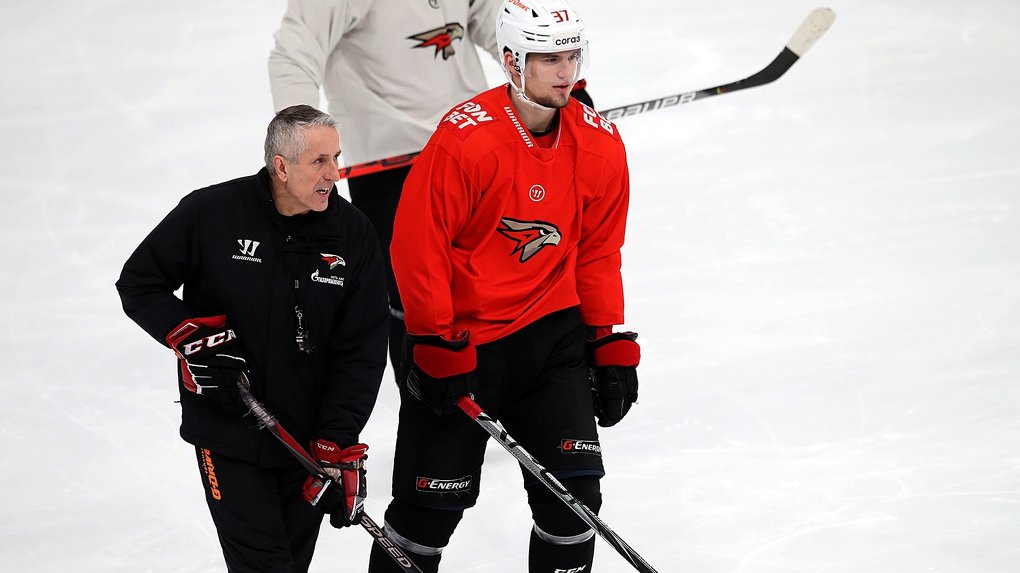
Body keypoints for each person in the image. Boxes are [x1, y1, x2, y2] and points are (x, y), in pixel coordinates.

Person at [368, 1, 640, 572]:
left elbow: (597, 251)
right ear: (513, 61)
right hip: (463, 347)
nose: (565, 72)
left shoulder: (600, 146)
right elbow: (417, 246)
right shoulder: (466, 141)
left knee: (575, 506)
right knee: (425, 516)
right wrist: (433, 339)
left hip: (551, 344)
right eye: (549, 59)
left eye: (572, 57)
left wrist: (604, 337)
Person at [116, 105, 389, 572]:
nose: (333, 173)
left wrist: (336, 438)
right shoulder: (211, 213)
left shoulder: (353, 234)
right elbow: (140, 283)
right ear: (281, 166)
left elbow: (361, 348)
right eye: (319, 161)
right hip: (228, 430)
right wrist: (198, 342)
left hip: (305, 442)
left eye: (336, 158)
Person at [267, 0, 592, 378]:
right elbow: (294, 53)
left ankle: (522, 393)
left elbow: (500, 24)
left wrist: (551, 86)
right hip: (393, 166)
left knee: (508, 277)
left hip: (475, 144)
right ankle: (432, 401)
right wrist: (304, 145)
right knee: (417, 299)